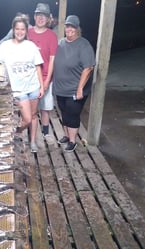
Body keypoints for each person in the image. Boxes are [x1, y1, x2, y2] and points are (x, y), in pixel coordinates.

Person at [0, 16, 44, 153]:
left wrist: (41, 86)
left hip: (34, 87)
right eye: (17, 29)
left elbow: (38, 67)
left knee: (34, 115)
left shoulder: (31, 46)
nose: (20, 32)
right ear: (13, 30)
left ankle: (33, 141)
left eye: (22, 29)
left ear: (26, 31)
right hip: (19, 90)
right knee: (27, 119)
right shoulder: (5, 46)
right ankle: (16, 132)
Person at [53, 15, 95, 152]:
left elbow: (89, 67)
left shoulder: (84, 44)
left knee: (72, 114)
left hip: (75, 89)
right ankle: (66, 135)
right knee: (64, 112)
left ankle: (72, 141)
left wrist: (80, 88)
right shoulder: (60, 43)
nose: (69, 29)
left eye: (73, 26)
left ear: (77, 29)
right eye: (67, 26)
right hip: (60, 89)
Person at [28, 3, 58, 147]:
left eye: (43, 16)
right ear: (34, 16)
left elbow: (52, 60)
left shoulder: (52, 36)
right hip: (29, 78)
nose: (40, 18)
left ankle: (46, 131)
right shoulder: (28, 32)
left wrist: (46, 82)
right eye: (38, 15)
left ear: (48, 19)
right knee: (29, 108)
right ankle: (29, 132)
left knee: (45, 107)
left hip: (45, 77)